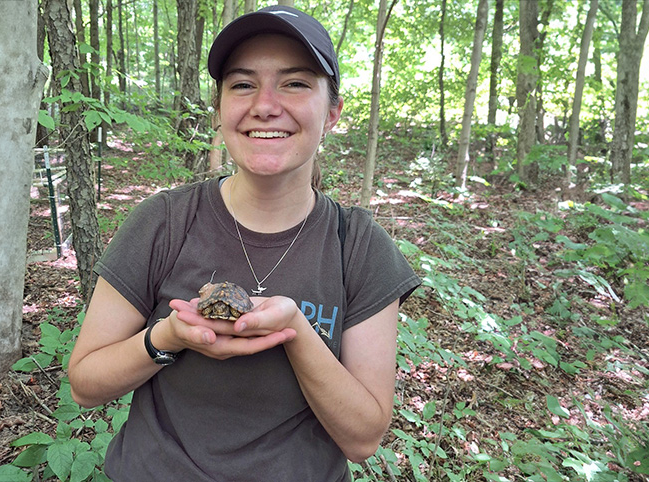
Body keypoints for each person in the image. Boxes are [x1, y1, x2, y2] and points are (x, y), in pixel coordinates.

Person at [68, 5, 421, 481]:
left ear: (333, 111)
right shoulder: (164, 222)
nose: (265, 105)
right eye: (242, 84)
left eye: (295, 83)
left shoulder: (359, 247)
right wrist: (168, 336)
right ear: (219, 110)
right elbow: (85, 386)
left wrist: (294, 329)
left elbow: (363, 439)